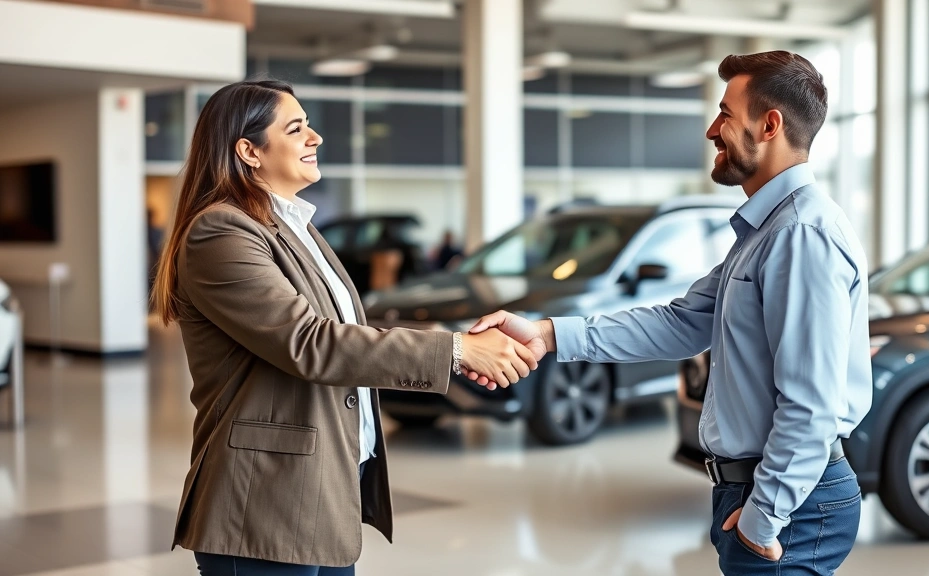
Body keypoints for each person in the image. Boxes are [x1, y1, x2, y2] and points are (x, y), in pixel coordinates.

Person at [466, 51, 871, 576]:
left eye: (726, 113)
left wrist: (763, 518)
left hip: (789, 504)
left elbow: (811, 404)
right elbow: (680, 322)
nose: (712, 129)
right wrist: (546, 334)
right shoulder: (768, 232)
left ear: (769, 125)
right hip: (759, 492)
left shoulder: (802, 235)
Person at [150, 79, 537, 575]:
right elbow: (308, 342)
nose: (315, 138)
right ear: (248, 150)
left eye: (309, 125)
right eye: (296, 128)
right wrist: (457, 350)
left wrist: (452, 338)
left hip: (322, 487)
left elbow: (344, 325)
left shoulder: (294, 225)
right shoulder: (221, 232)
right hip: (262, 503)